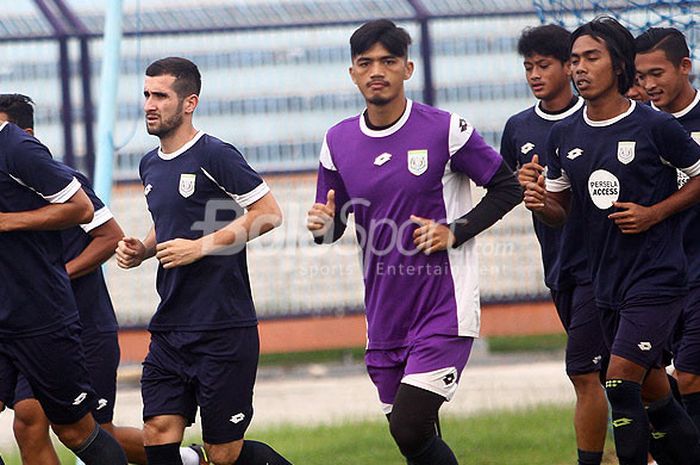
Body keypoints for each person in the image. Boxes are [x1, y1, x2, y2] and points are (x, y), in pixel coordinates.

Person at [306, 19, 521, 465]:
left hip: (444, 308)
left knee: (410, 424)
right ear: (352, 73)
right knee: (411, 437)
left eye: (387, 61)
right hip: (384, 314)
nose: (376, 71)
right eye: (365, 63)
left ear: (407, 68)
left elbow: (508, 187)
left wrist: (455, 231)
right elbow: (334, 225)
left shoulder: (445, 129)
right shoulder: (337, 141)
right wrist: (323, 225)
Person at [524, 16, 700, 465]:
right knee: (655, 391)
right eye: (575, 59)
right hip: (605, 282)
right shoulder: (563, 135)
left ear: (618, 65)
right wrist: (539, 201)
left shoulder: (653, 125)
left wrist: (654, 213)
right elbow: (561, 212)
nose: (579, 68)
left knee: (618, 382)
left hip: (658, 277)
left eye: (591, 58)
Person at [0, 93, 205, 465]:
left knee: (89, 429)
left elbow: (110, 237)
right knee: (28, 422)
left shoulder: (56, 179)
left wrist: (56, 276)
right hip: (18, 318)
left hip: (79, 325)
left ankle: (190, 460)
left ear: (25, 134)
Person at [115, 57, 291, 465]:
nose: (149, 104)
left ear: (189, 102)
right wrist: (143, 249)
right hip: (171, 326)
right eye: (146, 94)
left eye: (160, 95)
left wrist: (200, 247)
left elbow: (268, 212)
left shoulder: (215, 154)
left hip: (223, 327)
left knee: (223, 452)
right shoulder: (150, 163)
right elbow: (173, 221)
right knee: (157, 432)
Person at [500, 25, 608, 465]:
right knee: (625, 374)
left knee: (584, 371)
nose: (535, 75)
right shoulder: (518, 128)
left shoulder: (597, 118)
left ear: (570, 65)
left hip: (602, 267)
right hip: (559, 266)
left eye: (543, 65)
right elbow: (508, 189)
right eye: (528, 67)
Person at [0, 119, 127, 462]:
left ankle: (187, 459)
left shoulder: (18, 150)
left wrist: (8, 221)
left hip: (44, 319)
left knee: (76, 430)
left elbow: (91, 217)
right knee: (28, 422)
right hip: (7, 313)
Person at [635, 26, 700, 435]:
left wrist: (657, 213)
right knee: (657, 379)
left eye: (657, 73)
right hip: (658, 276)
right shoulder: (640, 126)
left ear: (685, 67)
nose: (649, 84)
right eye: (642, 76)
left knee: (690, 375)